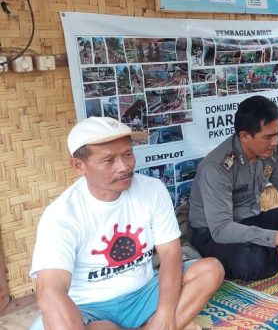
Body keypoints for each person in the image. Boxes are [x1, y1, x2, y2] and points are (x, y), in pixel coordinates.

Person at [29, 117, 224, 330]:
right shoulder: (62, 214)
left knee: (210, 270)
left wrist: (165, 312)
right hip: (91, 310)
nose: (124, 166)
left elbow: (170, 253)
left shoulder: (152, 189)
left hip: (143, 295)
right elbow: (51, 289)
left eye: (128, 154)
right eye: (109, 160)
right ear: (79, 165)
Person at [189, 95, 278, 281]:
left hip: (253, 221)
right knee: (252, 261)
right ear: (245, 136)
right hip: (213, 234)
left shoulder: (272, 151)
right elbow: (222, 229)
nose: (276, 142)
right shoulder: (216, 167)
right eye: (269, 137)